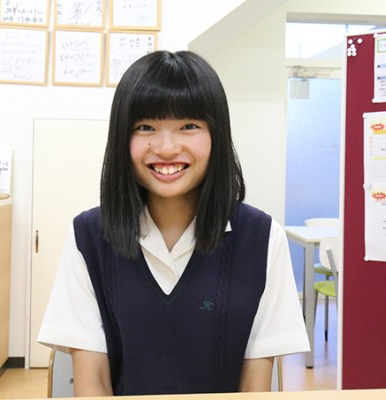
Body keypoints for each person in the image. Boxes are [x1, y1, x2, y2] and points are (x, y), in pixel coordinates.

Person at [38, 50, 309, 397]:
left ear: (217, 135)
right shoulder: (88, 237)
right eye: (145, 127)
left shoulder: (262, 238)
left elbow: (254, 386)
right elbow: (94, 384)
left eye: (189, 126)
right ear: (122, 138)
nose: (166, 148)